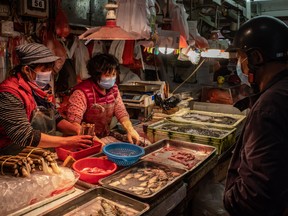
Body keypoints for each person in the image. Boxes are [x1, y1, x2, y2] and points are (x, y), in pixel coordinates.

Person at [223, 15, 288, 215]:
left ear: (256, 58)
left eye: (241, 59)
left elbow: (255, 196)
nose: (239, 66)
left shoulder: (269, 106)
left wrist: (229, 199)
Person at [0, 43, 93, 155]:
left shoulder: (41, 90)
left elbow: (56, 118)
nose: (48, 74)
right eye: (44, 70)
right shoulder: (9, 93)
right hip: (12, 156)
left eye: (49, 69)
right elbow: (23, 135)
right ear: (26, 69)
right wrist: (67, 141)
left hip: (38, 153)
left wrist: (75, 129)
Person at [65, 53, 140, 144]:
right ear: (96, 74)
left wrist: (130, 129)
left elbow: (121, 112)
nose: (112, 78)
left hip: (103, 136)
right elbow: (73, 123)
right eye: (108, 75)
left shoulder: (114, 89)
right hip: (81, 140)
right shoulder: (81, 92)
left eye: (113, 74)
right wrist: (94, 140)